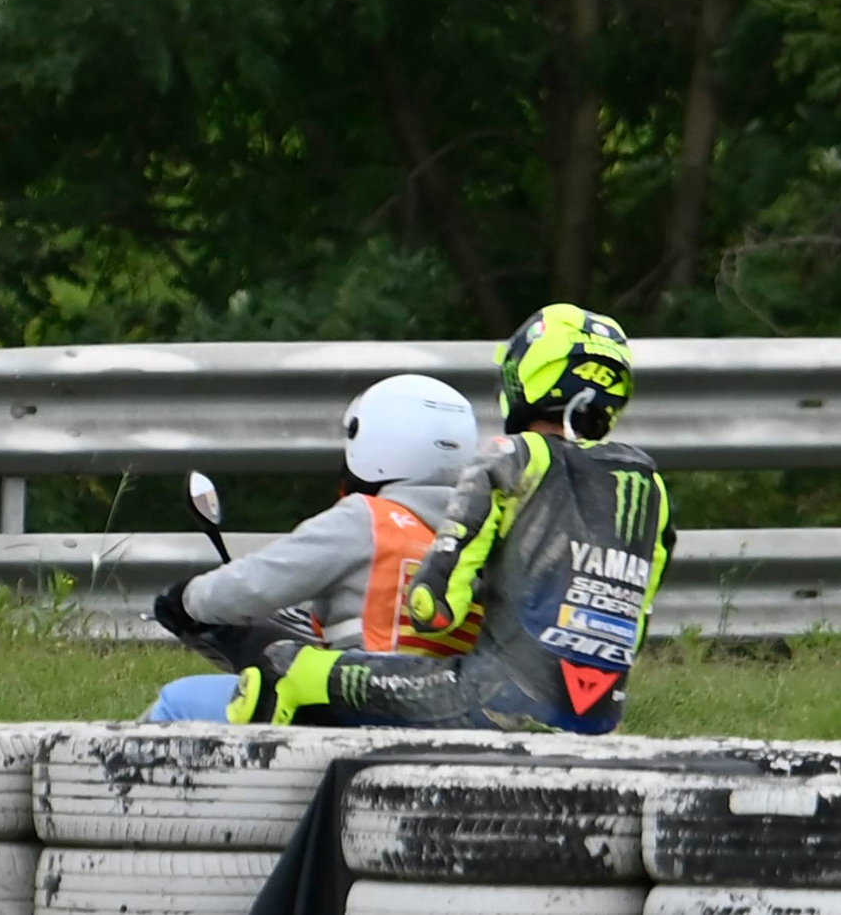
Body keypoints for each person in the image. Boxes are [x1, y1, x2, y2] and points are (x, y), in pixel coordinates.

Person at [226, 304, 673, 734]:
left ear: (527, 373)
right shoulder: (649, 486)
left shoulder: (512, 457)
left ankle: (279, 752)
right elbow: (635, 619)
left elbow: (435, 607)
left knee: (292, 667)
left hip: (493, 698)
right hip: (597, 717)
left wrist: (445, 598)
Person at [143, 373, 481, 721]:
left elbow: (256, 583)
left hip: (357, 709)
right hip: (445, 718)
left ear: (374, 442)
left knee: (178, 701)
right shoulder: (479, 542)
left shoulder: (368, 520)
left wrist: (187, 599)